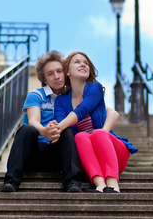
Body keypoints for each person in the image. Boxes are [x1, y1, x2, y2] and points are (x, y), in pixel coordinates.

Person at [54, 51, 138, 193]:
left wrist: (58, 127)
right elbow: (63, 125)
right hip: (86, 157)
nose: (83, 64)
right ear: (67, 71)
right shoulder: (61, 101)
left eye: (86, 63)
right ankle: (100, 184)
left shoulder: (95, 88)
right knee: (79, 136)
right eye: (77, 62)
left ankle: (113, 185)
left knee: (99, 133)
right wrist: (55, 128)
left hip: (114, 153)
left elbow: (82, 110)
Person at [0, 50, 82, 193]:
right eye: (50, 74)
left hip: (58, 156)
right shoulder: (36, 94)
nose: (56, 77)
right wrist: (44, 131)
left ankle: (73, 183)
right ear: (44, 79)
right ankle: (11, 182)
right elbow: (33, 121)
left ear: (65, 73)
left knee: (67, 131)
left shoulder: (72, 97)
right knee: (26, 129)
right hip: (33, 155)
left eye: (59, 71)